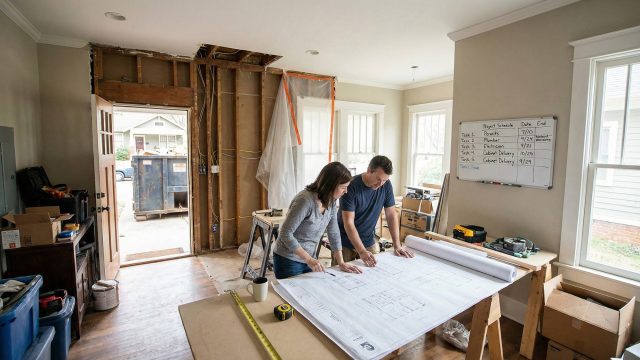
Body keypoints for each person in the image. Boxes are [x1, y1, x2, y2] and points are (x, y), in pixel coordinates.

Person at [273, 162, 362, 279]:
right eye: (343, 187)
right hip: (288, 258)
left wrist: (341, 262)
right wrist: (308, 259)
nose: (345, 191)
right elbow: (285, 233)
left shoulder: (331, 201)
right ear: (331, 185)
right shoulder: (305, 200)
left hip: (309, 257)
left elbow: (334, 233)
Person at [336, 155, 414, 267]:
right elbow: (348, 222)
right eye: (378, 179)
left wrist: (397, 245)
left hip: (368, 238)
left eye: (384, 180)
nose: (380, 184)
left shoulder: (386, 185)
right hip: (345, 240)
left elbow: (391, 214)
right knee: (341, 274)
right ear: (369, 170)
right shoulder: (351, 186)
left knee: (374, 271)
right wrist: (361, 251)